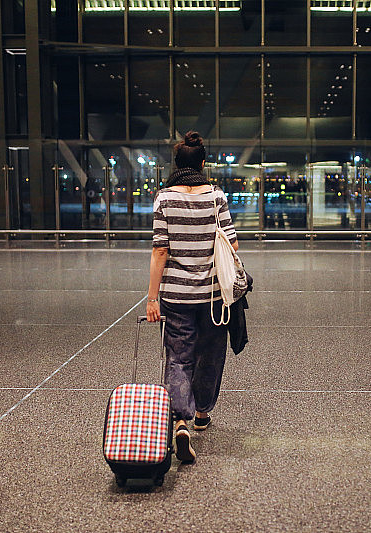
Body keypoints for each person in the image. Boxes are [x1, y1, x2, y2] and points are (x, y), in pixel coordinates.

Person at [146, 131, 238, 463]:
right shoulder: (215, 196)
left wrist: (152, 298)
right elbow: (233, 245)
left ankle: (181, 421)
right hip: (213, 296)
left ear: (176, 164)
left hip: (175, 295)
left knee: (178, 357)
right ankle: (201, 414)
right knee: (210, 355)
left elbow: (160, 251)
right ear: (202, 163)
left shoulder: (163, 199)